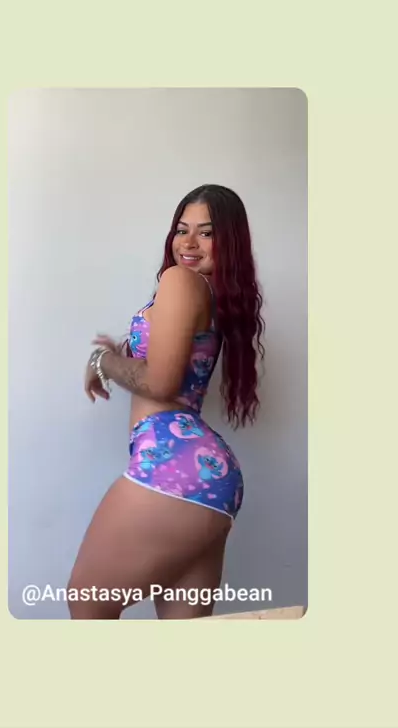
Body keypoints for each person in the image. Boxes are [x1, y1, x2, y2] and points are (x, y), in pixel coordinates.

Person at [67, 184, 265, 619]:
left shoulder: (181, 281)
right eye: (181, 229)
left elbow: (160, 382)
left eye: (206, 233)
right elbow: (166, 367)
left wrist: (103, 361)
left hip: (172, 465)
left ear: (230, 242)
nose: (188, 243)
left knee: (87, 600)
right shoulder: (212, 295)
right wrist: (120, 357)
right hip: (210, 479)